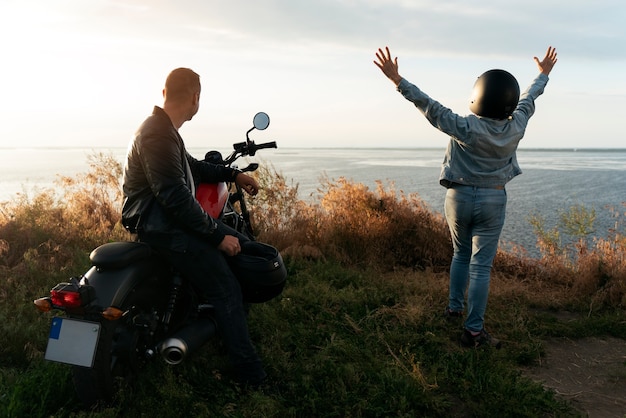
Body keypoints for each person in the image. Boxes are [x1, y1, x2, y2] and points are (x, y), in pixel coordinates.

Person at [374, 46, 558, 348]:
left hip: (458, 198)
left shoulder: (465, 126)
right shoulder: (517, 126)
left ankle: (454, 307)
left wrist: (397, 80)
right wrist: (543, 74)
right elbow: (528, 99)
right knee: (481, 266)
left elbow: (429, 106)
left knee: (460, 254)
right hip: (493, 199)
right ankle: (473, 331)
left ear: (479, 95)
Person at [121, 67, 266, 384]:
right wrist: (216, 237)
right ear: (195, 97)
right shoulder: (157, 133)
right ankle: (250, 375)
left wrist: (233, 175)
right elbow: (174, 197)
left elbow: (193, 166)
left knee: (251, 249)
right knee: (226, 288)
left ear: (164, 93)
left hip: (165, 222)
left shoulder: (163, 129)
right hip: (164, 227)